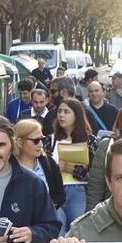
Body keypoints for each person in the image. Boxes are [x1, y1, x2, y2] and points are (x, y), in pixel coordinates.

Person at [47, 97, 95, 232]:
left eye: (67, 112)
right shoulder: (51, 139)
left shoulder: (90, 140)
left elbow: (94, 172)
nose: (61, 115)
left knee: (76, 231)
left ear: (76, 115)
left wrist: (70, 168)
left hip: (78, 190)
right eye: (59, 111)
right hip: (55, 190)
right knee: (58, 230)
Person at [12, 118, 65, 213]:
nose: (41, 144)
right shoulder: (8, 166)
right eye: (36, 140)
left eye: (42, 139)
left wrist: (50, 208)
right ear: (20, 142)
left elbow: (60, 195)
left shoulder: (48, 162)